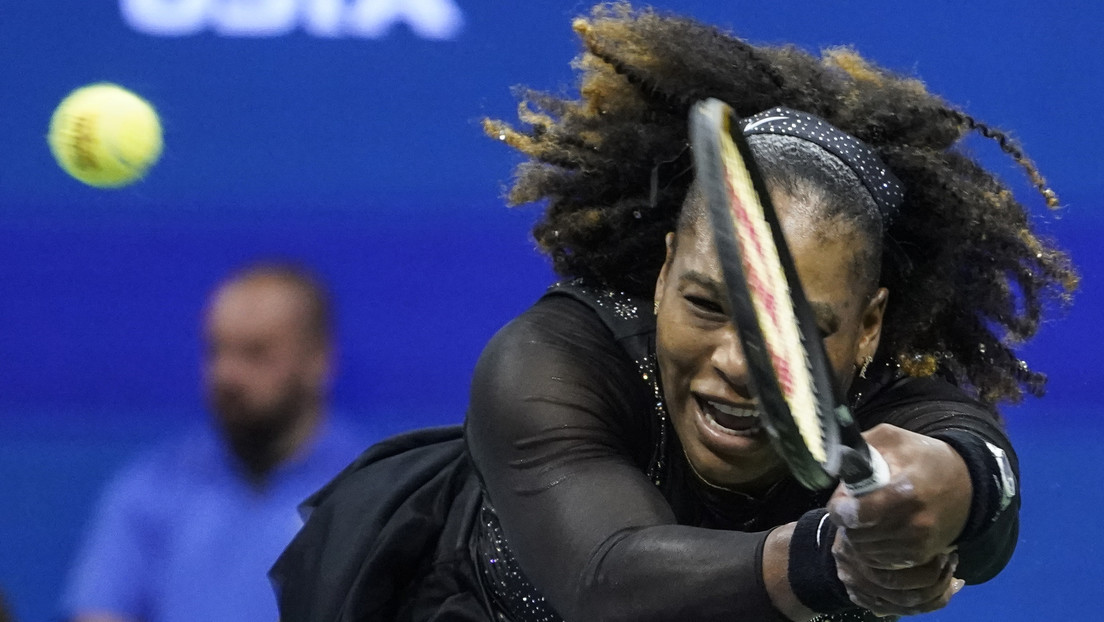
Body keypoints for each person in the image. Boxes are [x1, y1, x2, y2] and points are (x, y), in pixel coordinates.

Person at [271, 5, 1077, 621]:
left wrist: (948, 491)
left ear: (869, 328)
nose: (737, 361)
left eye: (800, 327)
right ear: (662, 274)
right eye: (704, 304)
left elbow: (978, 490)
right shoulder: (552, 363)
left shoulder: (894, 408)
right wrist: (823, 559)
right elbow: (607, 580)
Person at [62, 263, 368, 622]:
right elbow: (100, 613)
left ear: (319, 360)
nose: (226, 374)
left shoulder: (370, 494)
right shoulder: (151, 489)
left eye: (255, 352)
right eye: (216, 350)